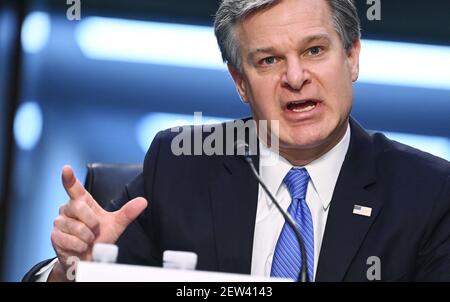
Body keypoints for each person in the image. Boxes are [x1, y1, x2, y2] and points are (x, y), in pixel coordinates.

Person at [24, 0, 449, 282]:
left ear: (352, 55)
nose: (296, 77)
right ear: (241, 83)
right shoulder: (179, 168)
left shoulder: (428, 193)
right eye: (268, 60)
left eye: (315, 51)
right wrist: (74, 270)